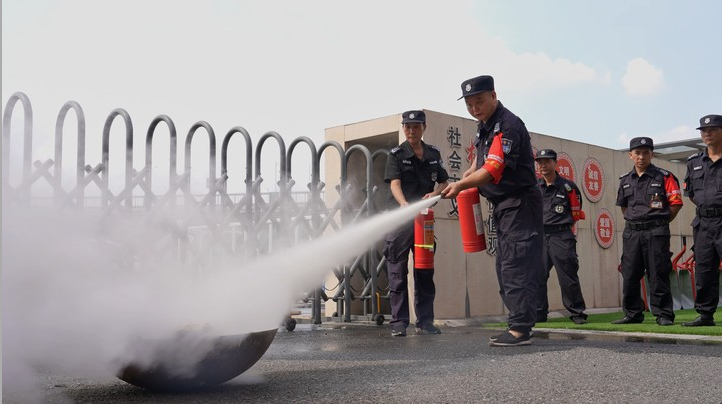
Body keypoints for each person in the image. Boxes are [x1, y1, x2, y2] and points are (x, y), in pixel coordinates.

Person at [441, 75, 543, 347]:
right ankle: (519, 324)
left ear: (494, 96)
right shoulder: (485, 126)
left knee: (515, 265)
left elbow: (494, 168)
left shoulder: (507, 125)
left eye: (479, 101)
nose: (474, 108)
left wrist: (461, 184)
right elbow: (481, 160)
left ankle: (520, 330)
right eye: (469, 104)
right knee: (505, 264)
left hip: (519, 204)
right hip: (505, 206)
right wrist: (468, 173)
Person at [384, 110, 450, 337]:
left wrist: (434, 194)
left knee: (424, 271)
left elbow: (444, 182)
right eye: (407, 126)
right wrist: (403, 203)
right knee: (397, 273)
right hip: (400, 221)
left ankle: (425, 321)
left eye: (416, 126)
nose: (411, 130)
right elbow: (394, 183)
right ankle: (399, 322)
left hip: (424, 221)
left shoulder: (433, 153)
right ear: (403, 128)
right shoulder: (396, 154)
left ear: (424, 127)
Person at [613, 137, 683, 326]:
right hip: (632, 233)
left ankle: (663, 314)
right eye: (637, 153)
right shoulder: (625, 180)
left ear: (652, 154)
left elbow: (676, 204)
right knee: (629, 273)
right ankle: (632, 314)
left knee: (658, 272)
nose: (641, 156)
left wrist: (659, 221)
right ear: (630, 155)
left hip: (656, 232)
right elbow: (624, 207)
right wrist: (636, 222)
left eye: (646, 152)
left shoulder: (665, 177)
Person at [534, 149, 588, 325]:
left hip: (561, 236)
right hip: (539, 237)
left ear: (555, 163)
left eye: (547, 162)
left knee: (567, 276)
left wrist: (561, 229)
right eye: (540, 162)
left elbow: (575, 214)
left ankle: (577, 313)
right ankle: (539, 313)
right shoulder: (534, 187)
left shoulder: (568, 187)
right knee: (537, 276)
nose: (543, 165)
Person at [682, 114, 722, 327]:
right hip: (704, 223)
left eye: (712, 129)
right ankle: (706, 315)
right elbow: (691, 193)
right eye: (704, 131)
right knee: (704, 269)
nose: (707, 133)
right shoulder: (694, 162)